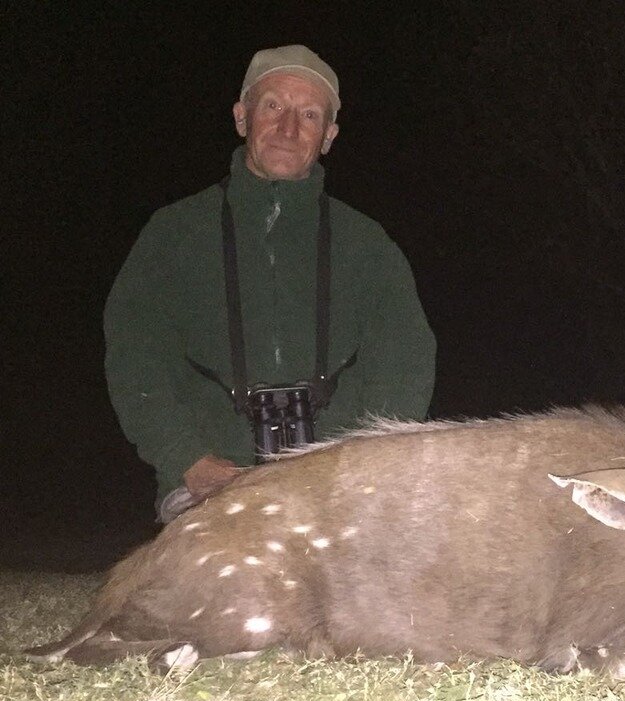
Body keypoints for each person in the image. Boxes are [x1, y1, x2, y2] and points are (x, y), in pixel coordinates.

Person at [105, 45, 436, 522]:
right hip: (208, 486)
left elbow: (405, 364)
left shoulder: (368, 244)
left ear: (328, 136)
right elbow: (135, 356)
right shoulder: (174, 233)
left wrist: (358, 464)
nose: (288, 128)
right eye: (273, 106)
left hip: (339, 485)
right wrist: (187, 460)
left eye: (308, 114)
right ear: (242, 117)